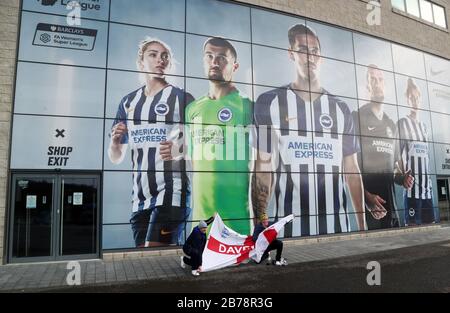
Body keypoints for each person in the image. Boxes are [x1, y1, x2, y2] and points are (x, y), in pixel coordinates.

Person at [253, 24, 366, 237]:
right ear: (291, 54)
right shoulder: (268, 102)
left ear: (320, 57)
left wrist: (362, 227)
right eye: (303, 50)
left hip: (339, 229)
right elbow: (263, 166)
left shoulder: (341, 109)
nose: (309, 57)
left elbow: (352, 169)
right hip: (287, 231)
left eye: (314, 51)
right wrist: (260, 223)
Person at [162, 37, 254, 234]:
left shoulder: (248, 105)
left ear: (234, 66)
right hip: (202, 220)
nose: (214, 62)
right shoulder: (193, 109)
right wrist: (177, 152)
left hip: (237, 221)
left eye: (221, 58)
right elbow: (193, 156)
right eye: (210, 56)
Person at [108, 37, 194, 248]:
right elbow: (116, 157)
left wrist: (181, 149)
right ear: (141, 62)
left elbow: (205, 144)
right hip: (140, 198)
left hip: (172, 193)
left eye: (165, 56)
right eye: (153, 55)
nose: (160, 60)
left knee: (154, 254)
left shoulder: (181, 98)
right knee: (148, 262)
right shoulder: (128, 102)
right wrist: (115, 141)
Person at [354, 65, 413, 229]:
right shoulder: (356, 118)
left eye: (380, 79)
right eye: (372, 79)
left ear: (385, 85)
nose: (377, 83)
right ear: (367, 87)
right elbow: (347, 169)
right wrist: (366, 198)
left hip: (391, 211)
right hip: (369, 212)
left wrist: (402, 179)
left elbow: (393, 167)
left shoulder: (391, 125)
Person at [394, 78, 434, 226]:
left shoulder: (424, 127)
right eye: (412, 98)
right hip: (412, 192)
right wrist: (402, 176)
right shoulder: (402, 123)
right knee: (412, 230)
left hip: (427, 192)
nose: (415, 101)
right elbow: (396, 155)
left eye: (417, 97)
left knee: (430, 228)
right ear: (407, 100)